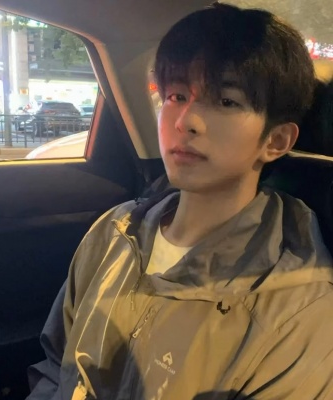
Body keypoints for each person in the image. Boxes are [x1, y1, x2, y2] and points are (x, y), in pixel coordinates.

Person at [27, 3, 333, 399]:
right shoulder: (114, 232)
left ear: (276, 141)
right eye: (176, 95)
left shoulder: (296, 304)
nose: (185, 120)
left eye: (226, 101)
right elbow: (57, 366)